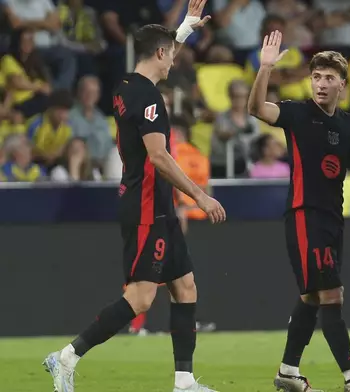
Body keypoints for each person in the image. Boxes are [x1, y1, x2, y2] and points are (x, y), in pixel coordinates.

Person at [42, 1, 226, 392]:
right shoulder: (151, 100)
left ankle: (184, 382)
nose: (175, 60)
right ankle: (65, 358)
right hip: (146, 205)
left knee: (185, 286)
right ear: (160, 54)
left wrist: (184, 30)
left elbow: (158, 50)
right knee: (141, 299)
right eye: (172, 53)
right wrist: (199, 196)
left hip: (154, 203)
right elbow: (159, 157)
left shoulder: (127, 85)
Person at [248, 30, 350, 392]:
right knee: (331, 295)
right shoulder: (296, 113)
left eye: (328, 78)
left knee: (312, 296)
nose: (321, 84)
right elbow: (256, 109)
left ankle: (288, 372)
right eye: (316, 77)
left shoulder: (349, 125)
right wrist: (265, 69)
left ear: (342, 84)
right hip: (304, 215)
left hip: (332, 219)